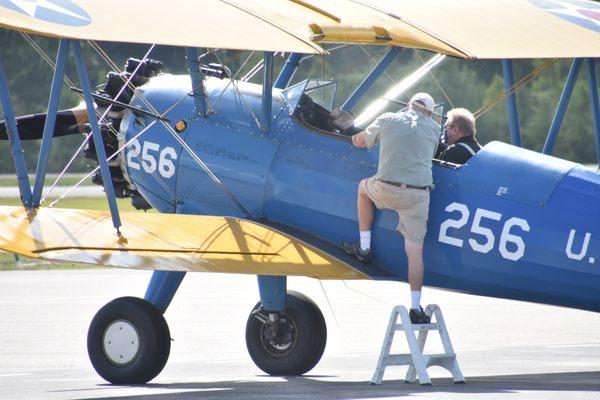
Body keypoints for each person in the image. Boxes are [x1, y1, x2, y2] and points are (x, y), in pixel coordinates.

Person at [342, 93, 440, 324]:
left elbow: (361, 142)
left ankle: (364, 248)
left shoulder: (388, 118)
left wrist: (350, 131)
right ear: (428, 112)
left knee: (362, 188)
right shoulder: (434, 130)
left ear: (408, 106)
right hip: (417, 195)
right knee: (415, 253)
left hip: (386, 188)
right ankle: (416, 307)